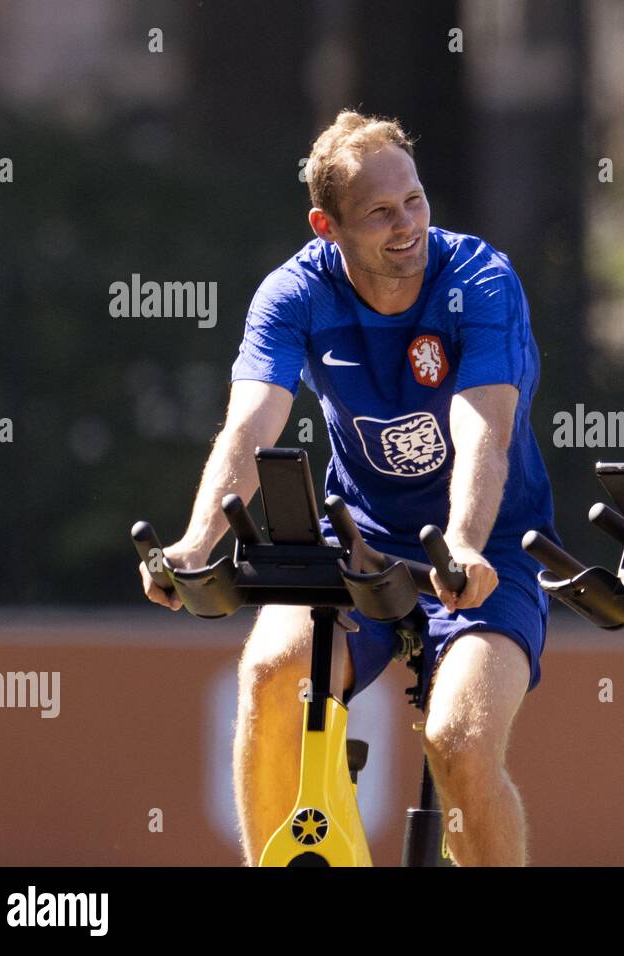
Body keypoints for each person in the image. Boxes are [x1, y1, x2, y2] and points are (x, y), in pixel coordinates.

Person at [137, 109, 557, 866]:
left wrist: (461, 541)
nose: (408, 227)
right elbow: (250, 426)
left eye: (416, 201)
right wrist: (198, 541)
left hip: (486, 546)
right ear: (327, 227)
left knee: (457, 742)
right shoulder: (294, 294)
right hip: (358, 545)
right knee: (270, 674)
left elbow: (481, 429)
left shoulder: (480, 280)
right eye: (380, 213)